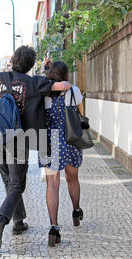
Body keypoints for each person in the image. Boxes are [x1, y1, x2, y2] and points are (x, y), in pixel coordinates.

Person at [0, 46, 72, 251]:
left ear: (13, 60)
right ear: (31, 65)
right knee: (17, 185)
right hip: (19, 138)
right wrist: (55, 75)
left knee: (9, 181)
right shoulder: (33, 82)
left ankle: (18, 222)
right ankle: (1, 220)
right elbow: (63, 86)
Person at [38, 61, 85, 247]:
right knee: (72, 178)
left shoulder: (44, 94)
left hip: (49, 139)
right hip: (71, 138)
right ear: (66, 75)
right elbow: (81, 114)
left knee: (52, 183)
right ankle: (76, 211)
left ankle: (54, 228)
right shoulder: (74, 91)